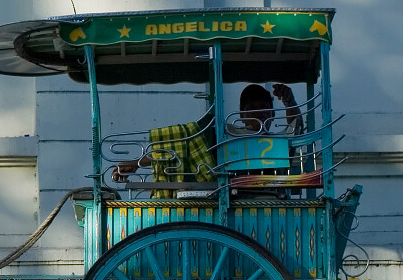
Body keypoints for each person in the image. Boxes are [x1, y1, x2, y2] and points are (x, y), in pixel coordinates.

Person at [111, 84, 304, 197]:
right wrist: (137, 163)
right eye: (252, 108)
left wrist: (290, 102)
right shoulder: (227, 133)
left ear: (272, 112)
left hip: (271, 201)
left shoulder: (279, 142)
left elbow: (296, 129)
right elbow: (182, 146)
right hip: (232, 201)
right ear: (242, 113)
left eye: (263, 107)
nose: (259, 113)